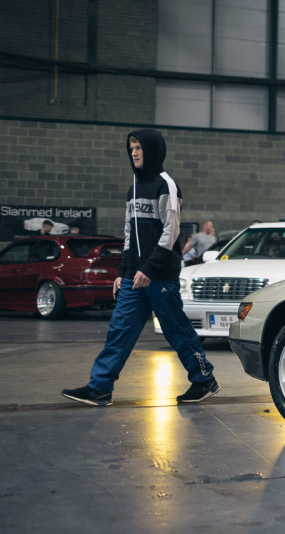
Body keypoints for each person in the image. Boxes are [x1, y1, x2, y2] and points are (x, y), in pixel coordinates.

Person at [62, 129, 219, 407]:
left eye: (139, 147)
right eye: (131, 147)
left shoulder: (165, 185)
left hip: (159, 275)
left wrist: (148, 268)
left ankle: (203, 378)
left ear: (153, 150)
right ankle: (100, 388)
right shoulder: (133, 188)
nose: (134, 152)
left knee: (176, 329)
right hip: (135, 275)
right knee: (119, 330)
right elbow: (128, 234)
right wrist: (123, 272)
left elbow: (171, 232)